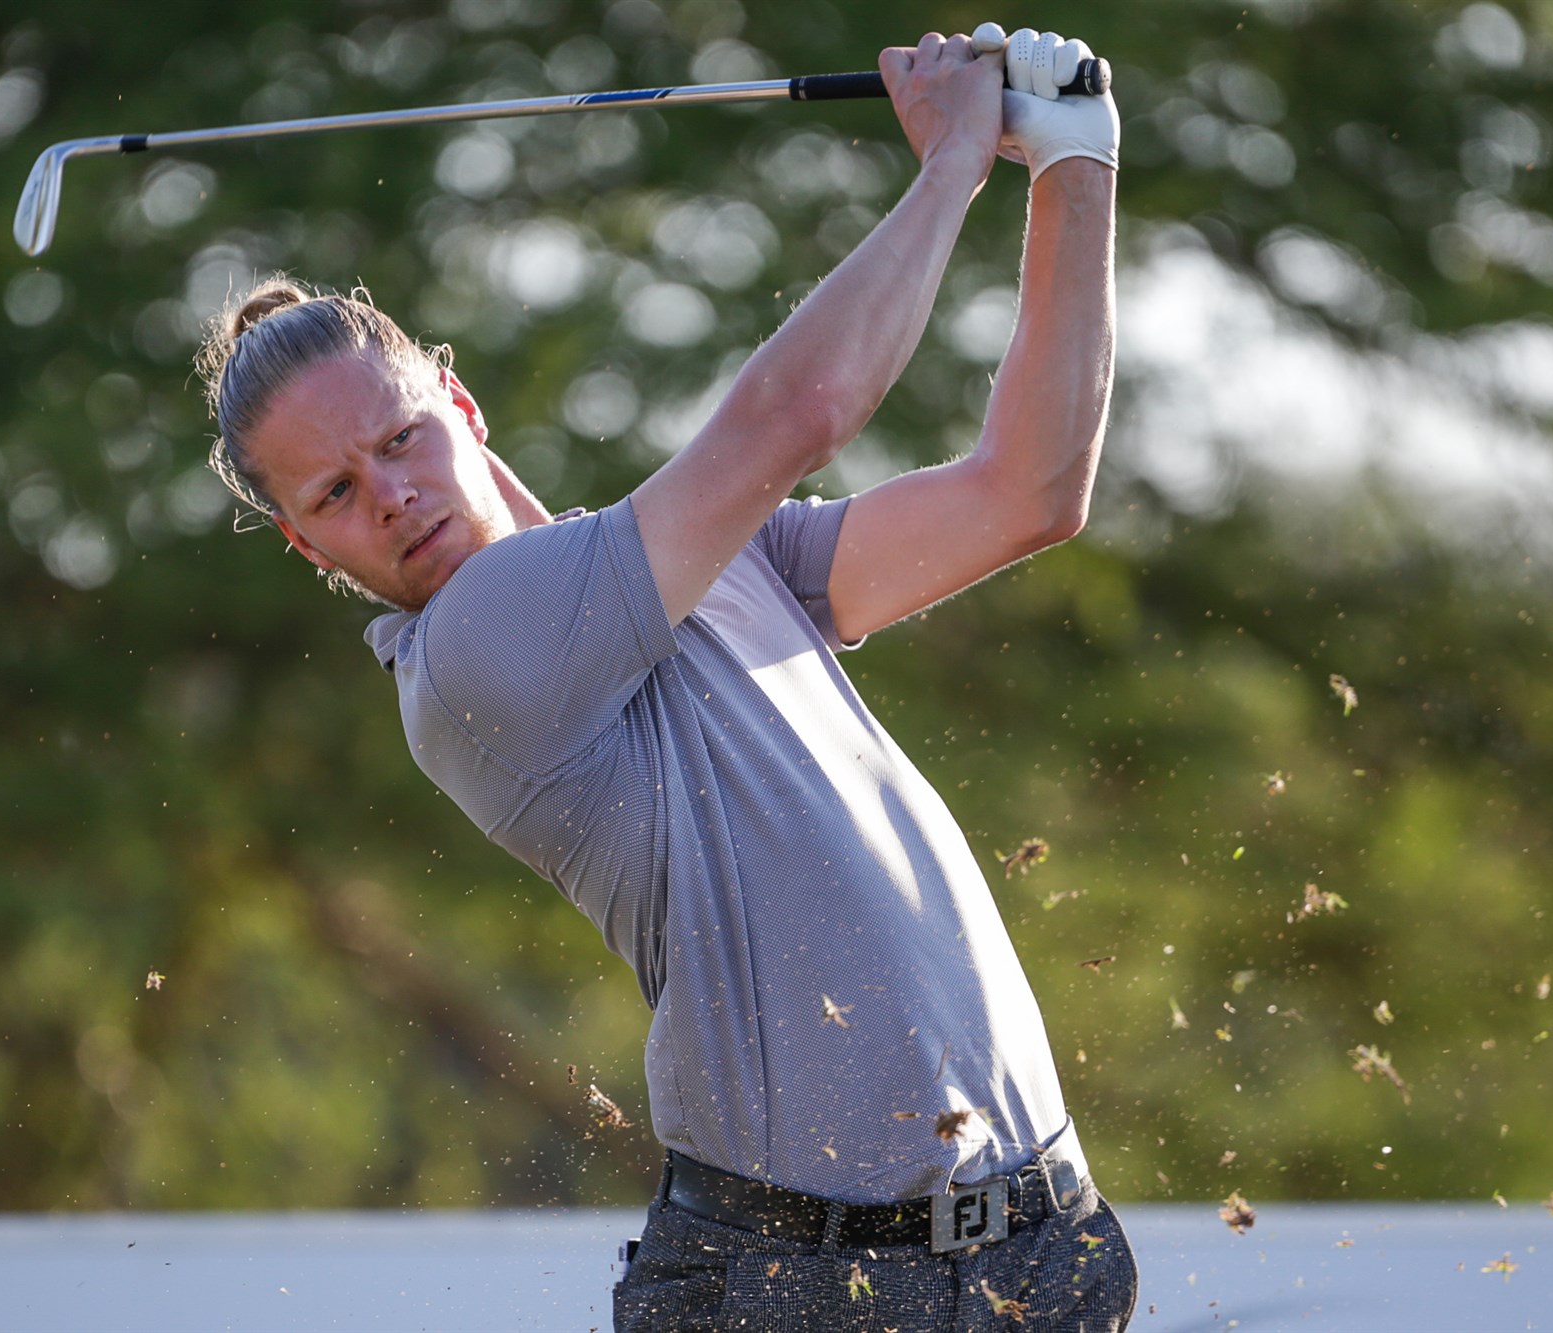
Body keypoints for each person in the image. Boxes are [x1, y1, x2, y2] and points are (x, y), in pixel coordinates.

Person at [195, 22, 1126, 1331]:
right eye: (338, 494)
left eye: (401, 438)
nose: (393, 496)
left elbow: (1027, 493)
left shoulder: (708, 564)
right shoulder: (474, 648)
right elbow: (791, 417)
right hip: (803, 1286)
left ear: (458, 407)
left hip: (1038, 1249)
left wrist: (1074, 164)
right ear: (306, 545)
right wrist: (954, 162)